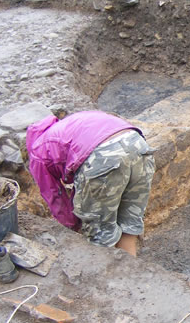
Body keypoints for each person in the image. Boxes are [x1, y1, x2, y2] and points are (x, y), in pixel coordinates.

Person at [25, 110, 155, 256]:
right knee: (129, 220)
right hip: (138, 145)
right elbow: (82, 181)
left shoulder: (37, 151)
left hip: (104, 157)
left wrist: (71, 225)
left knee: (101, 233)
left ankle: (109, 274)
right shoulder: (72, 124)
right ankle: (131, 271)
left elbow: (54, 195)